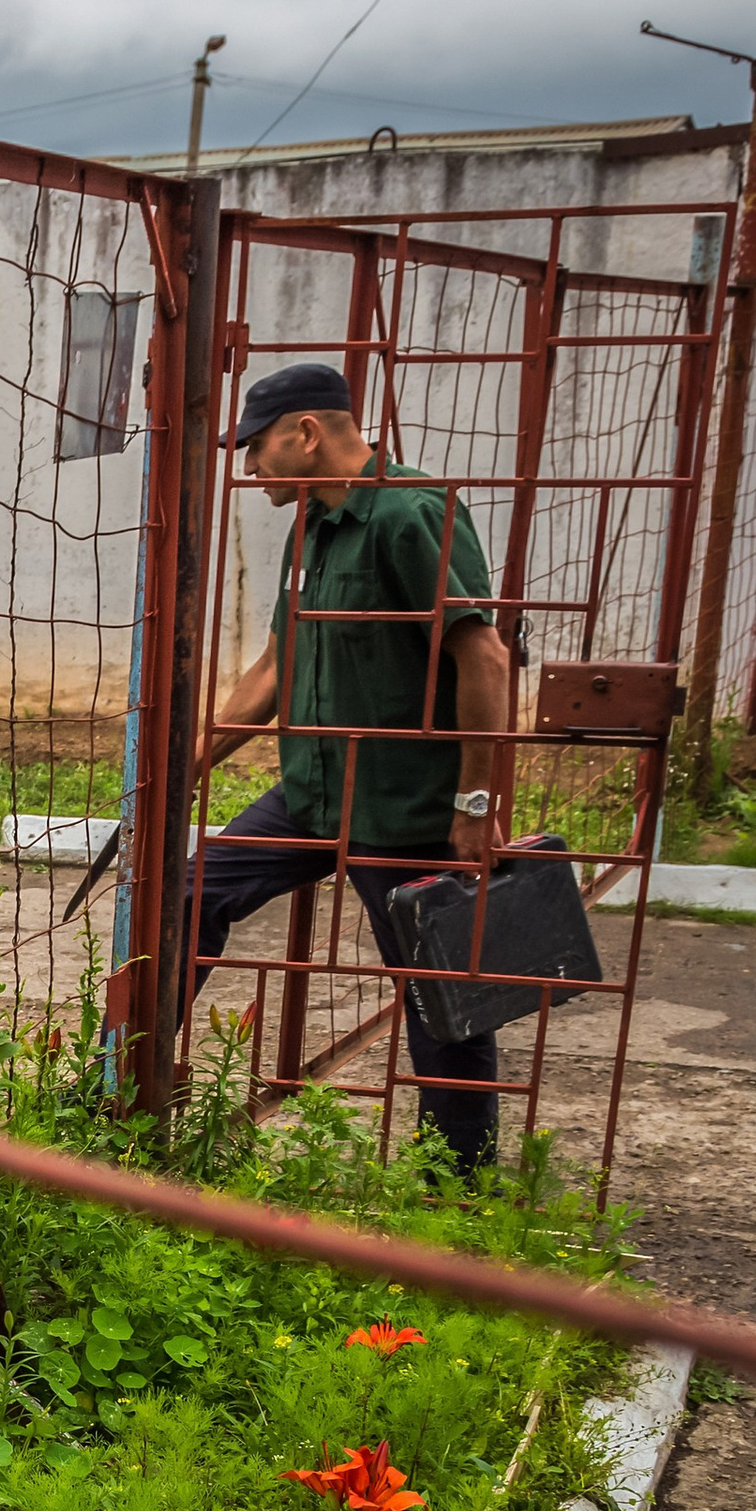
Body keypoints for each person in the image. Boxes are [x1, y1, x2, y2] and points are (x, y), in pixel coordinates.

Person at [188, 359, 514, 1174]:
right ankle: (125, 1086)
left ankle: (457, 1187)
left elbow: (485, 661)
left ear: (306, 433)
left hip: (404, 804)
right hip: (313, 791)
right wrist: (186, 761)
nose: (250, 469)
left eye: (257, 449)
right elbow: (275, 665)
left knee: (440, 997)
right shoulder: (313, 526)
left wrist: (475, 802)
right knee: (191, 891)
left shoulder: (413, 514)